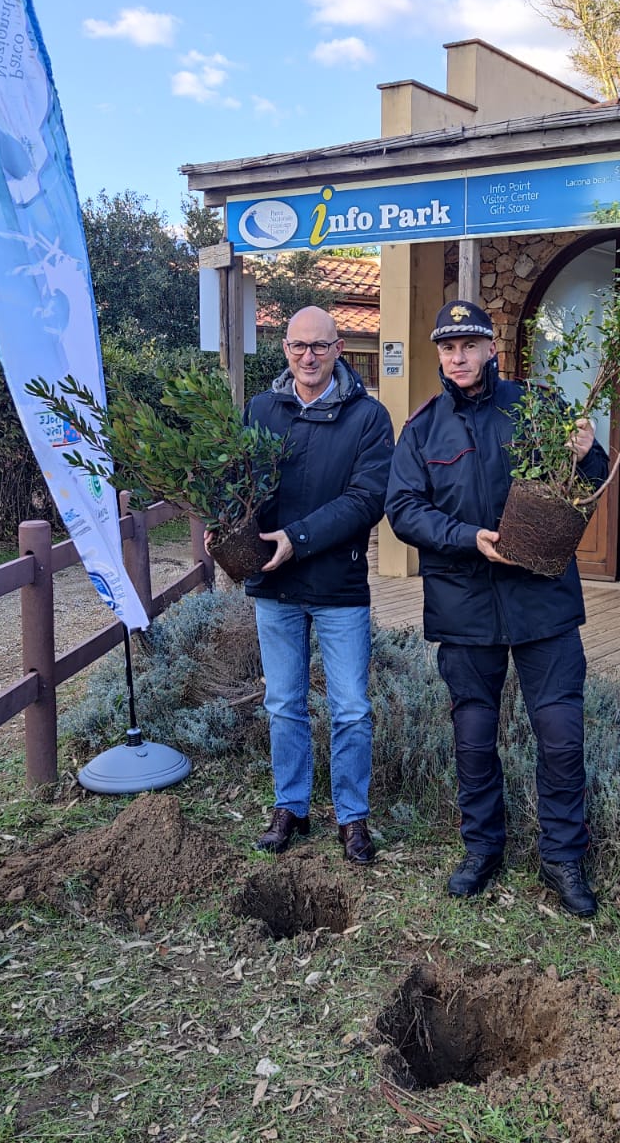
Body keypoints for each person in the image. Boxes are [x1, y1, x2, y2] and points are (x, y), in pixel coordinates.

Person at [384, 299, 608, 917]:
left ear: (490, 350)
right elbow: (403, 509)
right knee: (474, 738)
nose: (458, 357)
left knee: (561, 737)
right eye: (448, 347)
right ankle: (482, 849)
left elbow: (587, 481)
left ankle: (563, 858)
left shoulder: (535, 408)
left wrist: (588, 452)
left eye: (469, 345)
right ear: (440, 354)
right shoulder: (423, 429)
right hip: (464, 606)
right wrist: (468, 538)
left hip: (543, 602)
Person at [243, 305, 394, 864]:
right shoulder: (260, 409)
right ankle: (291, 808)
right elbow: (240, 485)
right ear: (284, 349)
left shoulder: (368, 418)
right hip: (274, 586)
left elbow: (366, 499)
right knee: (283, 703)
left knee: (351, 707)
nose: (308, 357)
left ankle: (352, 818)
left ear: (339, 350)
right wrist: (222, 528)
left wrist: (297, 538)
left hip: (338, 586)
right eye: (298, 346)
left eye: (320, 346)